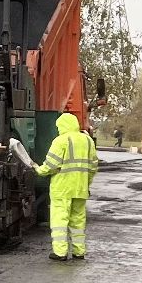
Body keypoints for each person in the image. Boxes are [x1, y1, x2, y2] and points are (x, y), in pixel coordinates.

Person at [36, 112, 99, 261]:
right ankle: (79, 251)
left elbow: (51, 165)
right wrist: (86, 183)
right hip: (80, 188)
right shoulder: (88, 141)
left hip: (62, 189)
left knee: (60, 221)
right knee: (78, 221)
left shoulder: (60, 141)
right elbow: (93, 167)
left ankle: (60, 252)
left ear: (62, 126)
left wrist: (39, 170)